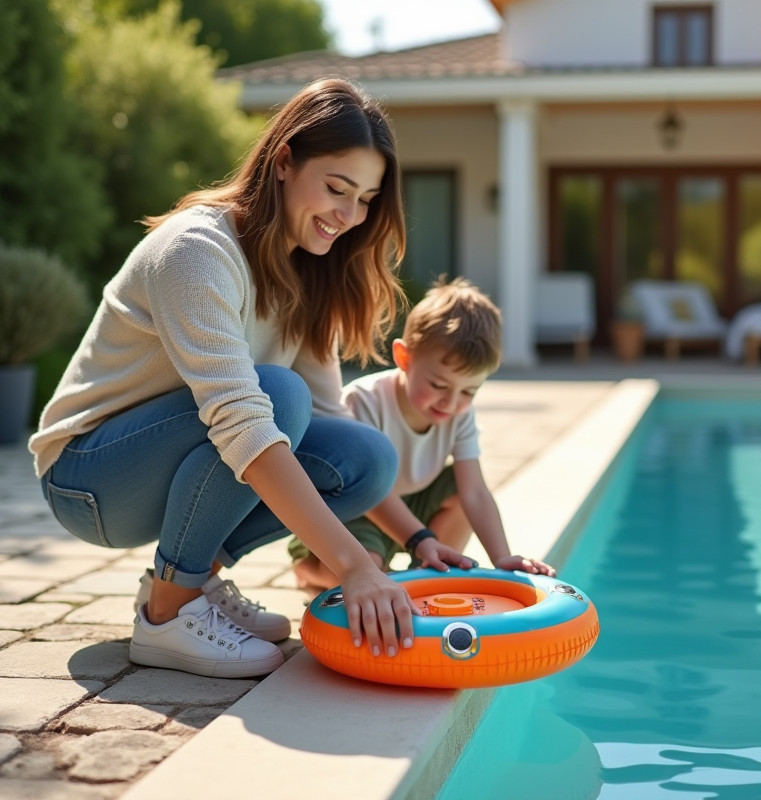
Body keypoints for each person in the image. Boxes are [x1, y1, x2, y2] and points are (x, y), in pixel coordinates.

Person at [29, 78, 424, 679]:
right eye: (338, 188)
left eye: (367, 199)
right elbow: (241, 418)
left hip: (169, 462)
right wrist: (354, 566)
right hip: (88, 477)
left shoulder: (308, 274)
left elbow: (329, 426)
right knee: (274, 398)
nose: (350, 216)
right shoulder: (196, 250)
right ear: (285, 161)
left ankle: (194, 577)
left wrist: (418, 542)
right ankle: (167, 613)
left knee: (365, 457)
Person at [290, 278, 556, 592]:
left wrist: (503, 557)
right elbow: (368, 488)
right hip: (355, 509)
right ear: (405, 358)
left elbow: (475, 493)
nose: (452, 402)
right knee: (367, 571)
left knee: (460, 489)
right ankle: (308, 569)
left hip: (414, 502)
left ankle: (430, 572)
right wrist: (420, 539)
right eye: (439, 385)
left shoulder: (459, 413)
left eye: (469, 390)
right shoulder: (364, 401)